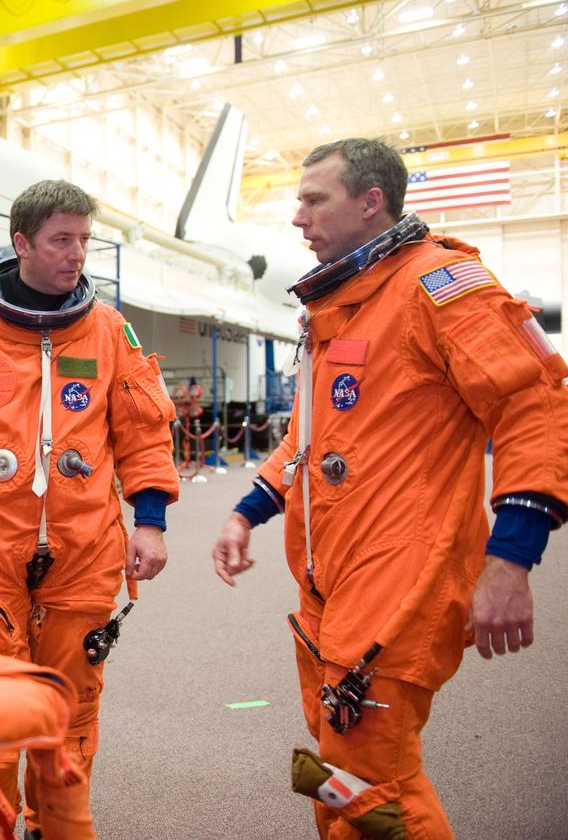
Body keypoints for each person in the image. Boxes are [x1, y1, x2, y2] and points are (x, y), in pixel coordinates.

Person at [210, 138, 568, 839]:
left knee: (373, 775)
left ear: (371, 202)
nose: (296, 217)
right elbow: (313, 438)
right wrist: (247, 510)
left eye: (314, 199)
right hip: (329, 577)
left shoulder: (441, 287)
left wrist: (511, 557)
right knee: (337, 759)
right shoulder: (338, 306)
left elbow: (537, 405)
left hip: (404, 578)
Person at [0, 179, 180, 837]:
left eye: (83, 240)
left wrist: (153, 521)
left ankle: (57, 823)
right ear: (22, 243)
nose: (77, 254)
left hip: (84, 551)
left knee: (70, 702)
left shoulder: (110, 332)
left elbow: (145, 431)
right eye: (61, 240)